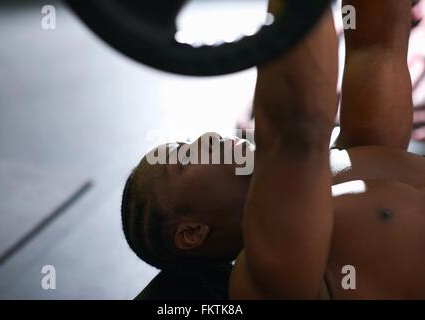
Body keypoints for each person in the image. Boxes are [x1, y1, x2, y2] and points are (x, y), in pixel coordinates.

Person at [122, 0, 425, 299]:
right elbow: (295, 127)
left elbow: (375, 45)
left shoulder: (345, 157)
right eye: (186, 159)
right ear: (191, 233)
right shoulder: (266, 279)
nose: (207, 137)